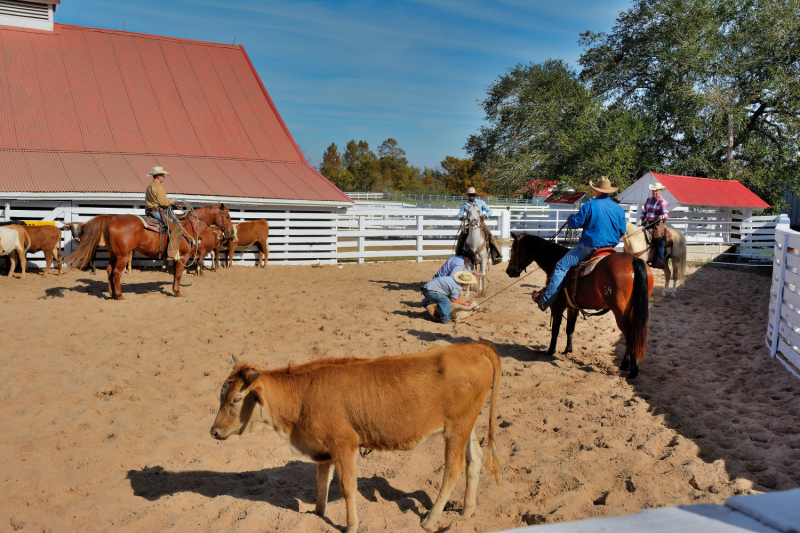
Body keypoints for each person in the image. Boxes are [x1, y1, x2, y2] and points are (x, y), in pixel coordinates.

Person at [532, 176, 627, 311]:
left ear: (596, 190)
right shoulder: (618, 208)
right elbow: (622, 231)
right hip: (610, 249)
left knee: (561, 266)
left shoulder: (589, 205)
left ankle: (545, 300)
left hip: (589, 248)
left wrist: (570, 218)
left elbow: (576, 223)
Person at [456, 187, 503, 265]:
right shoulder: (465, 205)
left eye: (472, 195)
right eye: (469, 195)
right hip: (470, 223)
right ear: (468, 195)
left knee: (490, 236)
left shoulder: (481, 202)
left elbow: (489, 211)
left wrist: (485, 215)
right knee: (461, 236)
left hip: (480, 223)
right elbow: (460, 214)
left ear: (475, 195)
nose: (471, 196)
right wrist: (461, 217)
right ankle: (457, 256)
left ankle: (497, 256)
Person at [144, 166, 183, 260]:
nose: (164, 177)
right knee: (177, 227)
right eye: (163, 175)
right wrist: (173, 203)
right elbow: (163, 203)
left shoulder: (150, 186)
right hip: (157, 212)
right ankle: (172, 253)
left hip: (149, 211)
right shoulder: (158, 186)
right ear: (158, 176)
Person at [639, 182, 669, 269]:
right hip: (648, 222)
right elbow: (644, 212)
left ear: (660, 191)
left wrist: (662, 216)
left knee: (658, 236)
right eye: (653, 191)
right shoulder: (648, 200)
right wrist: (640, 220)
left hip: (657, 223)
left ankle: (660, 258)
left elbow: (666, 213)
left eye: (656, 191)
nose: (654, 193)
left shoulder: (662, 201)